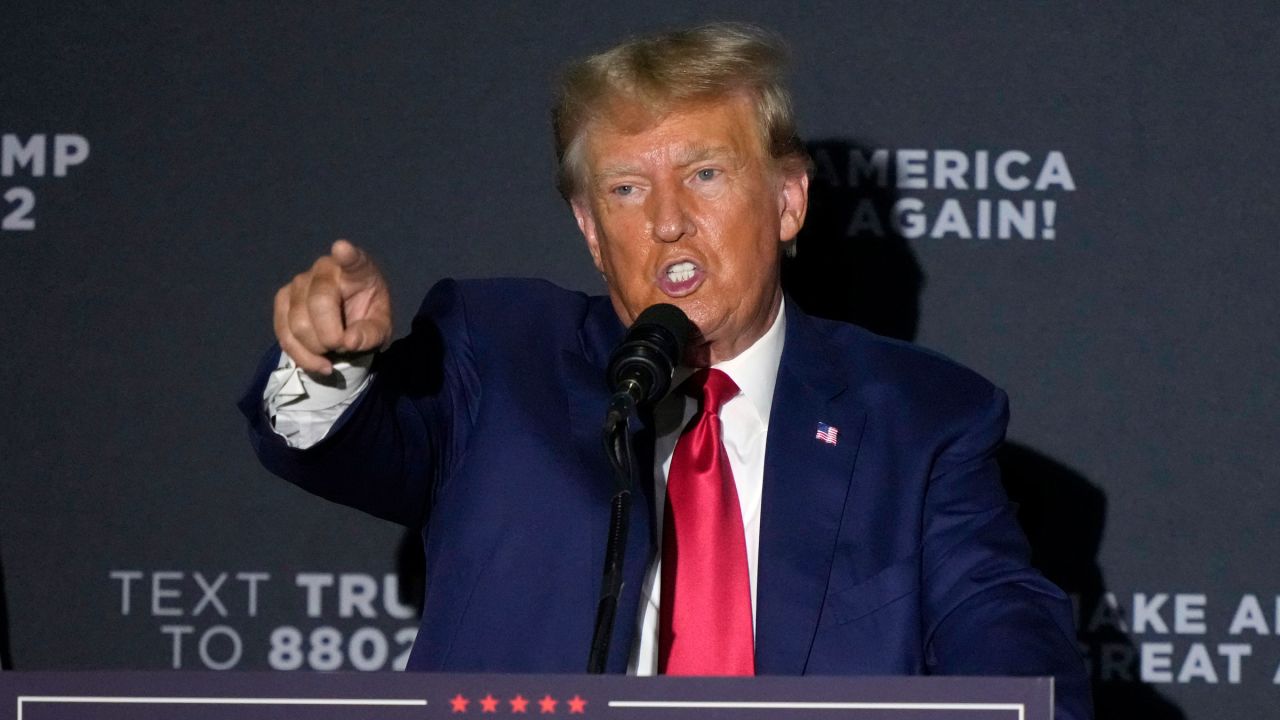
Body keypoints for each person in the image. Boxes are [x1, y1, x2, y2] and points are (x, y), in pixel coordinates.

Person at [241, 22, 1091, 719]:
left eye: (706, 174)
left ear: (789, 200)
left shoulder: (921, 418)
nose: (669, 223)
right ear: (587, 227)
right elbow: (356, 444)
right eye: (624, 191)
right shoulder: (501, 358)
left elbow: (1003, 628)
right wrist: (332, 362)